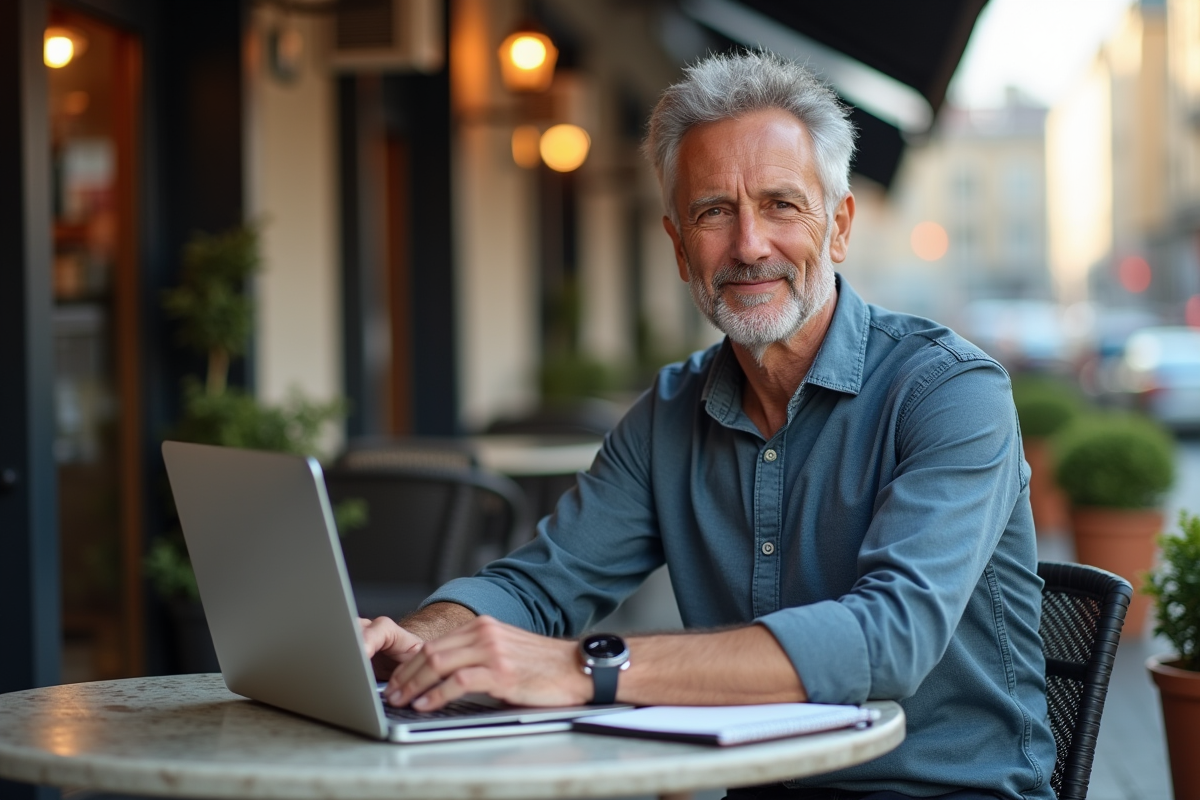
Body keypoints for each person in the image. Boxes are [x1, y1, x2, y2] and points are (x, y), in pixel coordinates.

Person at [362, 51, 1056, 800]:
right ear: (678, 245)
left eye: (782, 205)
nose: (749, 244)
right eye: (714, 211)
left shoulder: (949, 392)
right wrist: (422, 641)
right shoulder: (667, 414)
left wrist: (581, 667)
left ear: (841, 225)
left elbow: (888, 638)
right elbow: (538, 587)